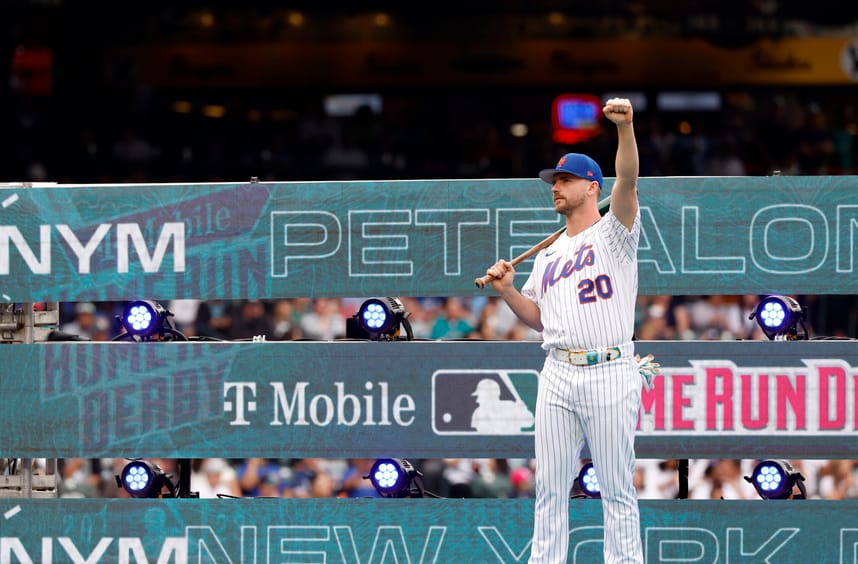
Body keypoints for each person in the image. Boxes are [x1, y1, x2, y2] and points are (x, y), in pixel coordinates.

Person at [485, 97, 643, 563]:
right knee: (550, 487)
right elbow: (537, 317)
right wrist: (509, 291)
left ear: (592, 187)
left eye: (566, 180)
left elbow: (629, 180)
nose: (556, 186)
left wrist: (625, 129)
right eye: (554, 180)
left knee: (615, 488)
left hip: (609, 368)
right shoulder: (550, 253)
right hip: (557, 371)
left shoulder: (614, 231)